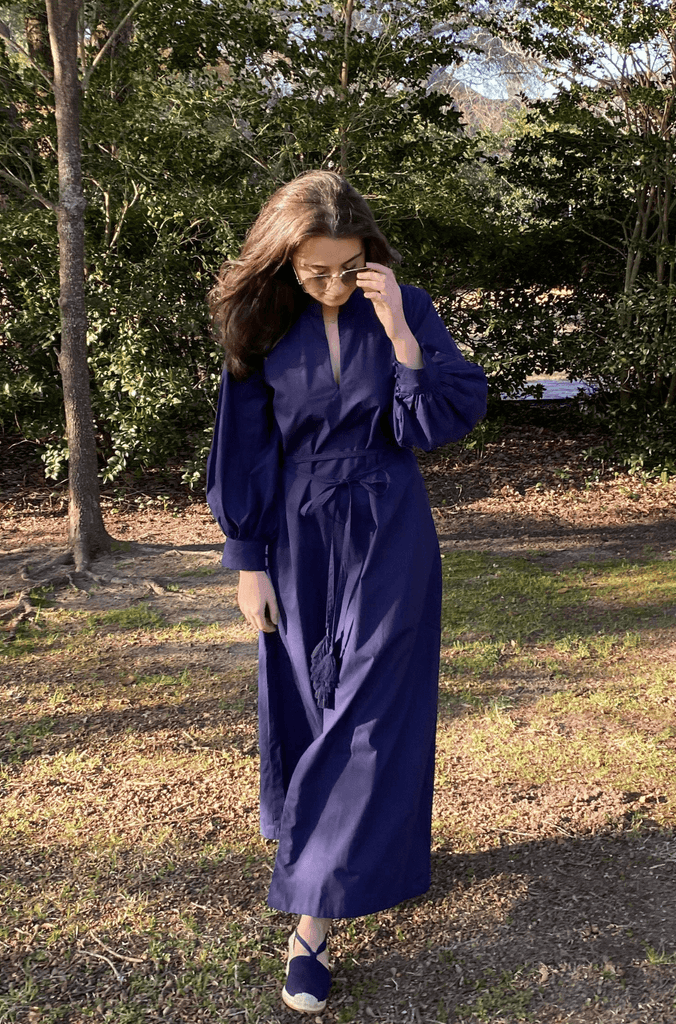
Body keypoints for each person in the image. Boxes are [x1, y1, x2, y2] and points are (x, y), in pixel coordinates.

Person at [206, 171, 487, 1014]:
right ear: (284, 261)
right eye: (314, 271)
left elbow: (433, 422)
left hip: (389, 524)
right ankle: (338, 844)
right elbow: (243, 445)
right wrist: (247, 558)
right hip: (297, 532)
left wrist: (399, 330)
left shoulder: (406, 307)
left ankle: (311, 924)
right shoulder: (260, 322)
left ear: (370, 255)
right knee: (308, 697)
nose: (332, 285)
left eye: (347, 268)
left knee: (370, 706)